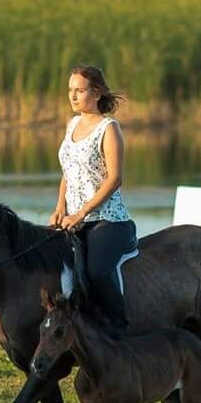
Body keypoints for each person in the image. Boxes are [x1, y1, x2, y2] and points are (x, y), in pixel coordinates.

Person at [50, 65, 137, 328]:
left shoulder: (108, 128)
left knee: (97, 271)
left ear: (97, 93)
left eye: (79, 90)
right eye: (70, 90)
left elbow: (114, 178)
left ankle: (119, 327)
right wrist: (60, 208)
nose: (73, 96)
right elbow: (69, 171)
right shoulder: (72, 124)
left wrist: (81, 213)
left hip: (108, 221)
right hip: (72, 219)